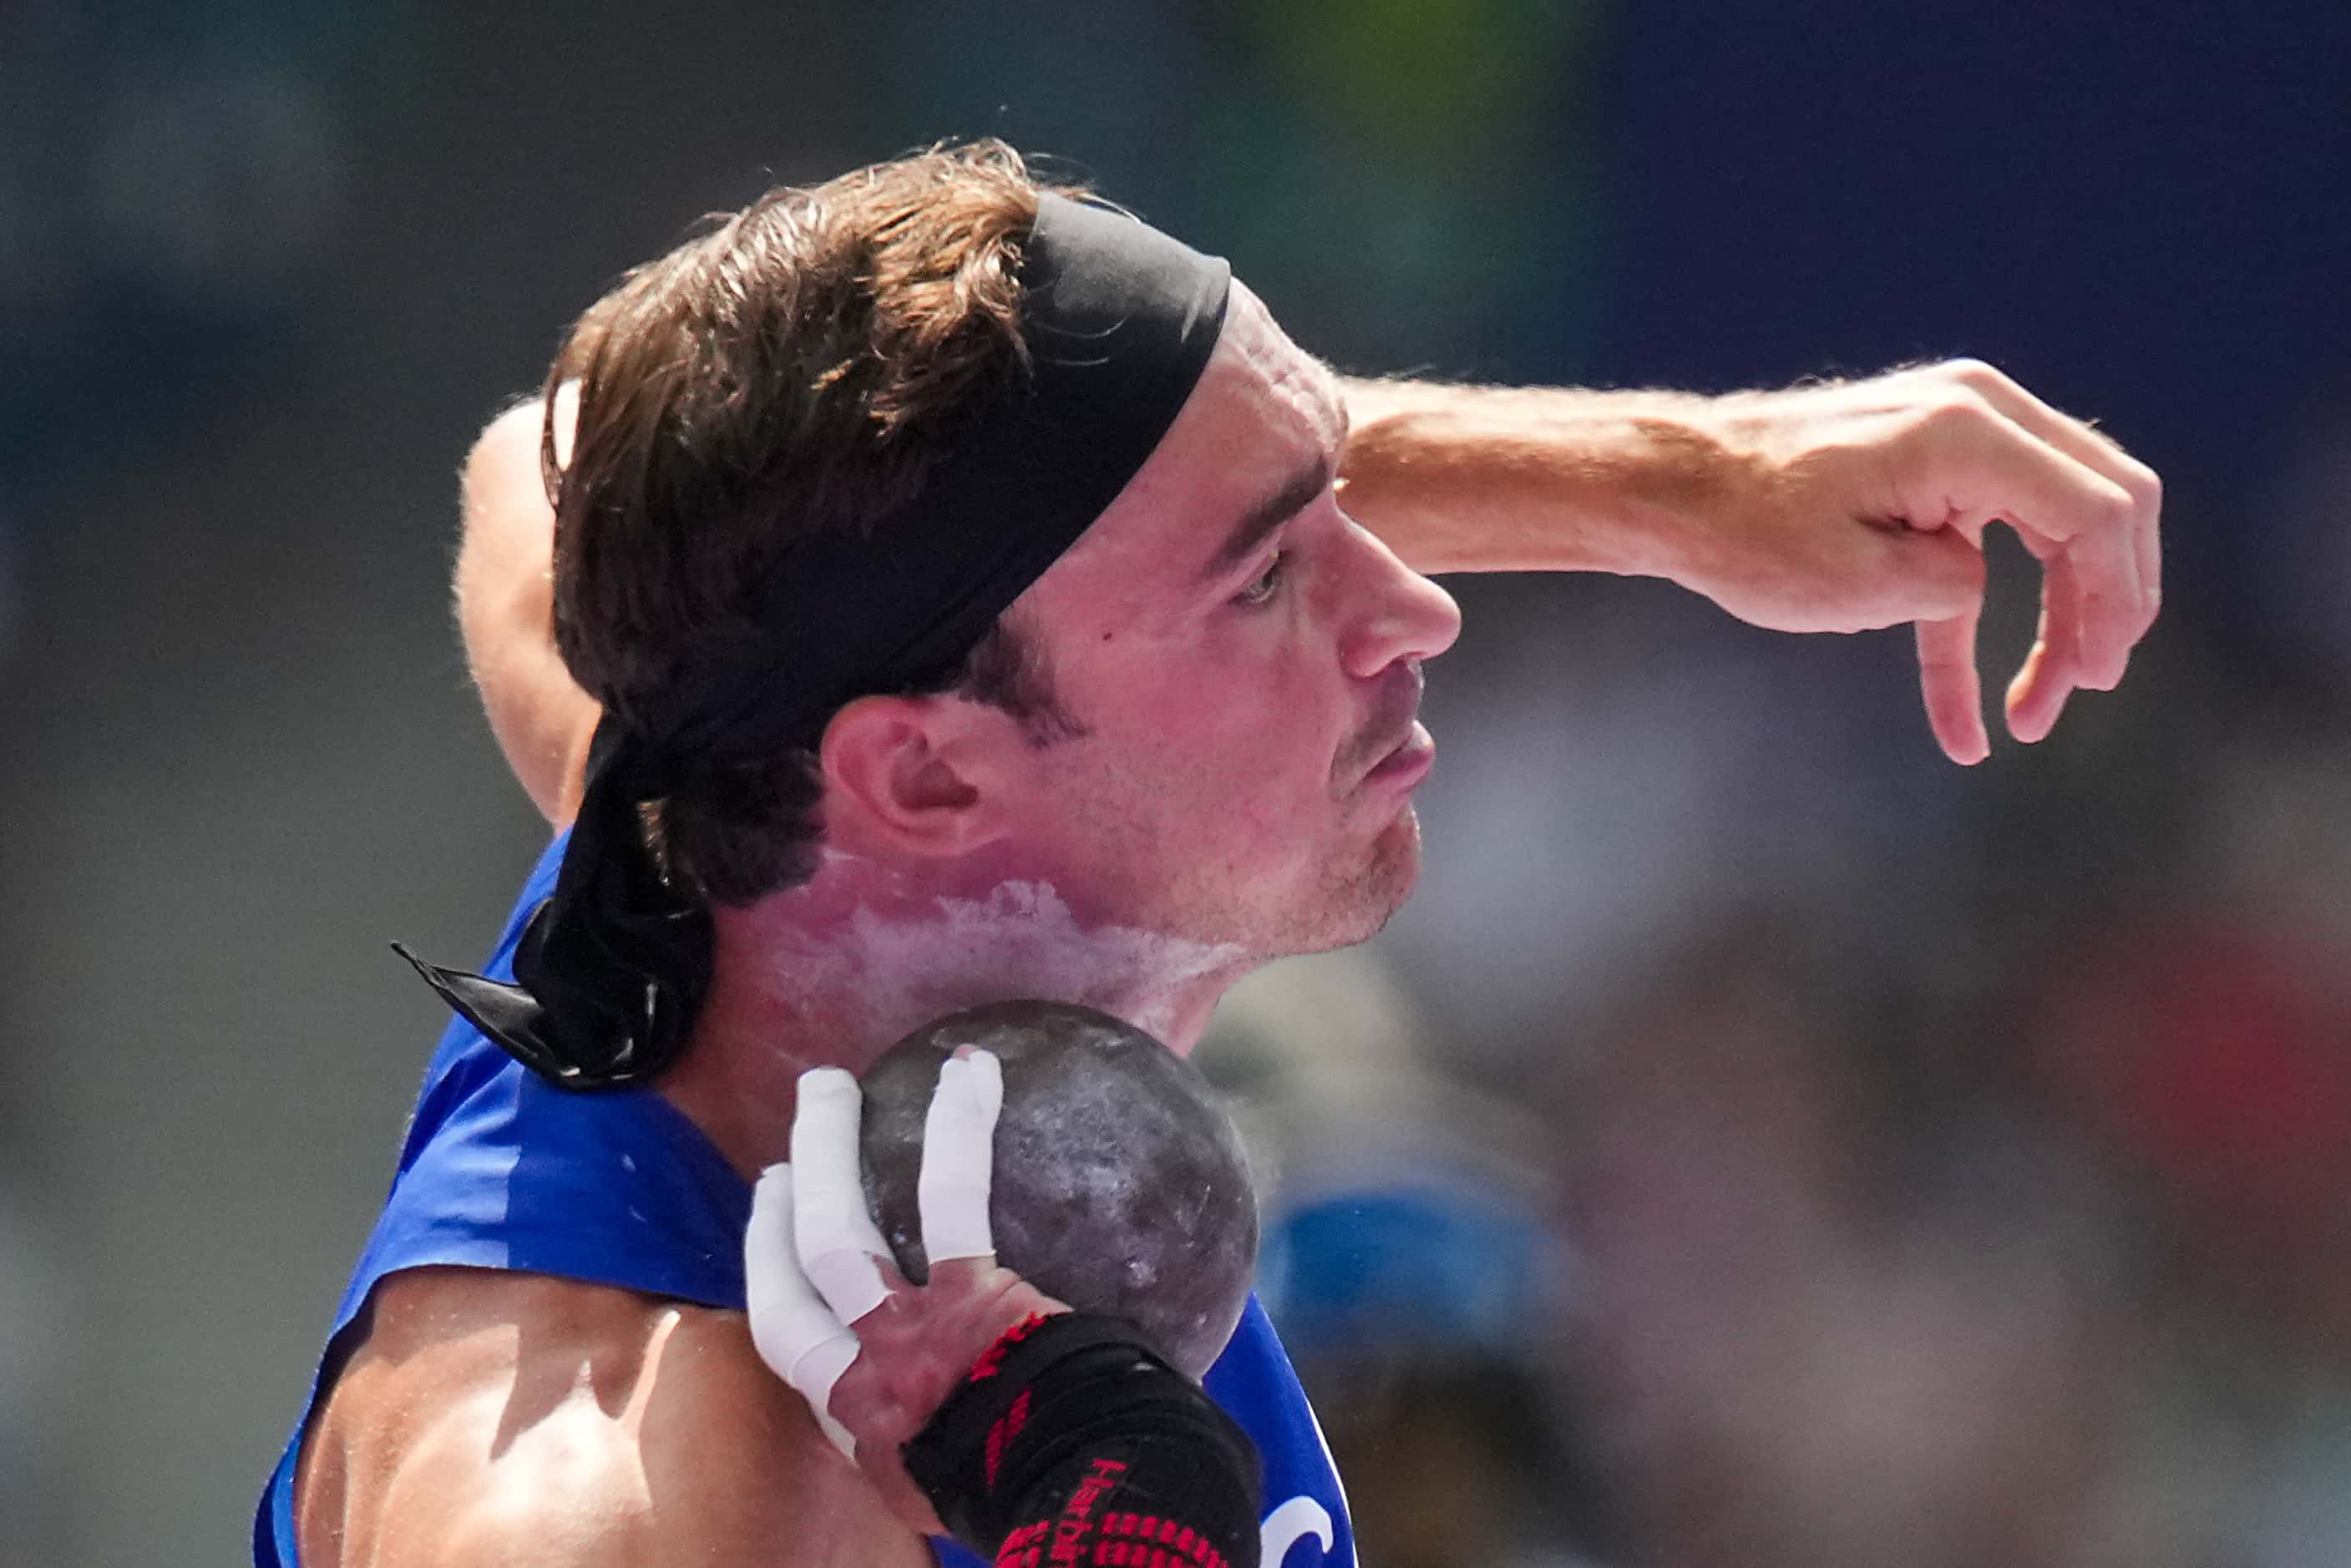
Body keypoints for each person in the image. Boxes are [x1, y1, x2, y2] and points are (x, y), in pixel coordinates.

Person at [261, 140, 2160, 1568]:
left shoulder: (707, 771)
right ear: (928, 780)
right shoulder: (623, 1447)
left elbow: (553, 454)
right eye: (1267, 574)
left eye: (1339, 503)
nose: (1419, 606)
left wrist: (1682, 480)